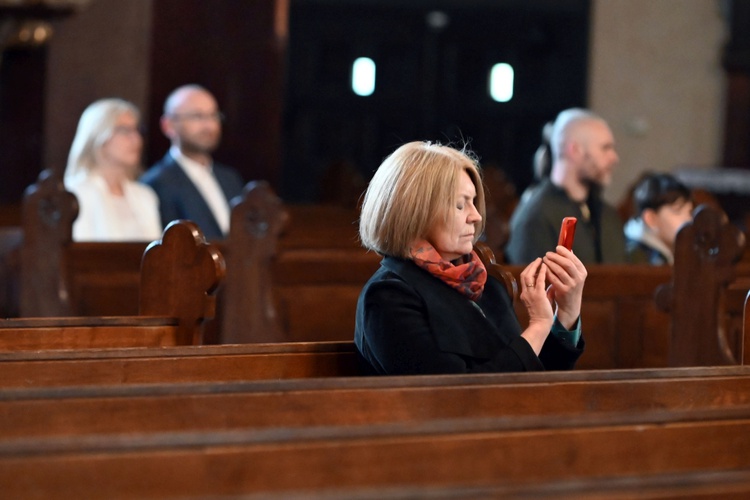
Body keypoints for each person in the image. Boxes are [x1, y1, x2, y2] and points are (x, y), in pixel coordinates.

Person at [354, 141, 587, 375]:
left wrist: (566, 314)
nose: (476, 216)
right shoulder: (389, 296)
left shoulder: (486, 285)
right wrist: (537, 327)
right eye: (459, 205)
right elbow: (456, 396)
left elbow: (538, 378)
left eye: (473, 202)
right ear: (415, 211)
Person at [505, 108, 626, 264]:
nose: (614, 158)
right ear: (574, 150)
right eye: (605, 148)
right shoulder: (536, 217)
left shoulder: (607, 215)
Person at [141, 84, 244, 240]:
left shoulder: (230, 178)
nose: (209, 125)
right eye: (198, 116)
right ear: (168, 125)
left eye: (214, 115)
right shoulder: (156, 183)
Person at [64, 98, 162, 242]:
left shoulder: (145, 196)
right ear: (99, 135)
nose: (136, 139)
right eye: (124, 130)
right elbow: (80, 256)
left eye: (137, 130)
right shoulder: (76, 193)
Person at [623, 172, 694, 265]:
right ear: (651, 218)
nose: (689, 219)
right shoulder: (638, 259)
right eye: (677, 210)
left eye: (690, 212)